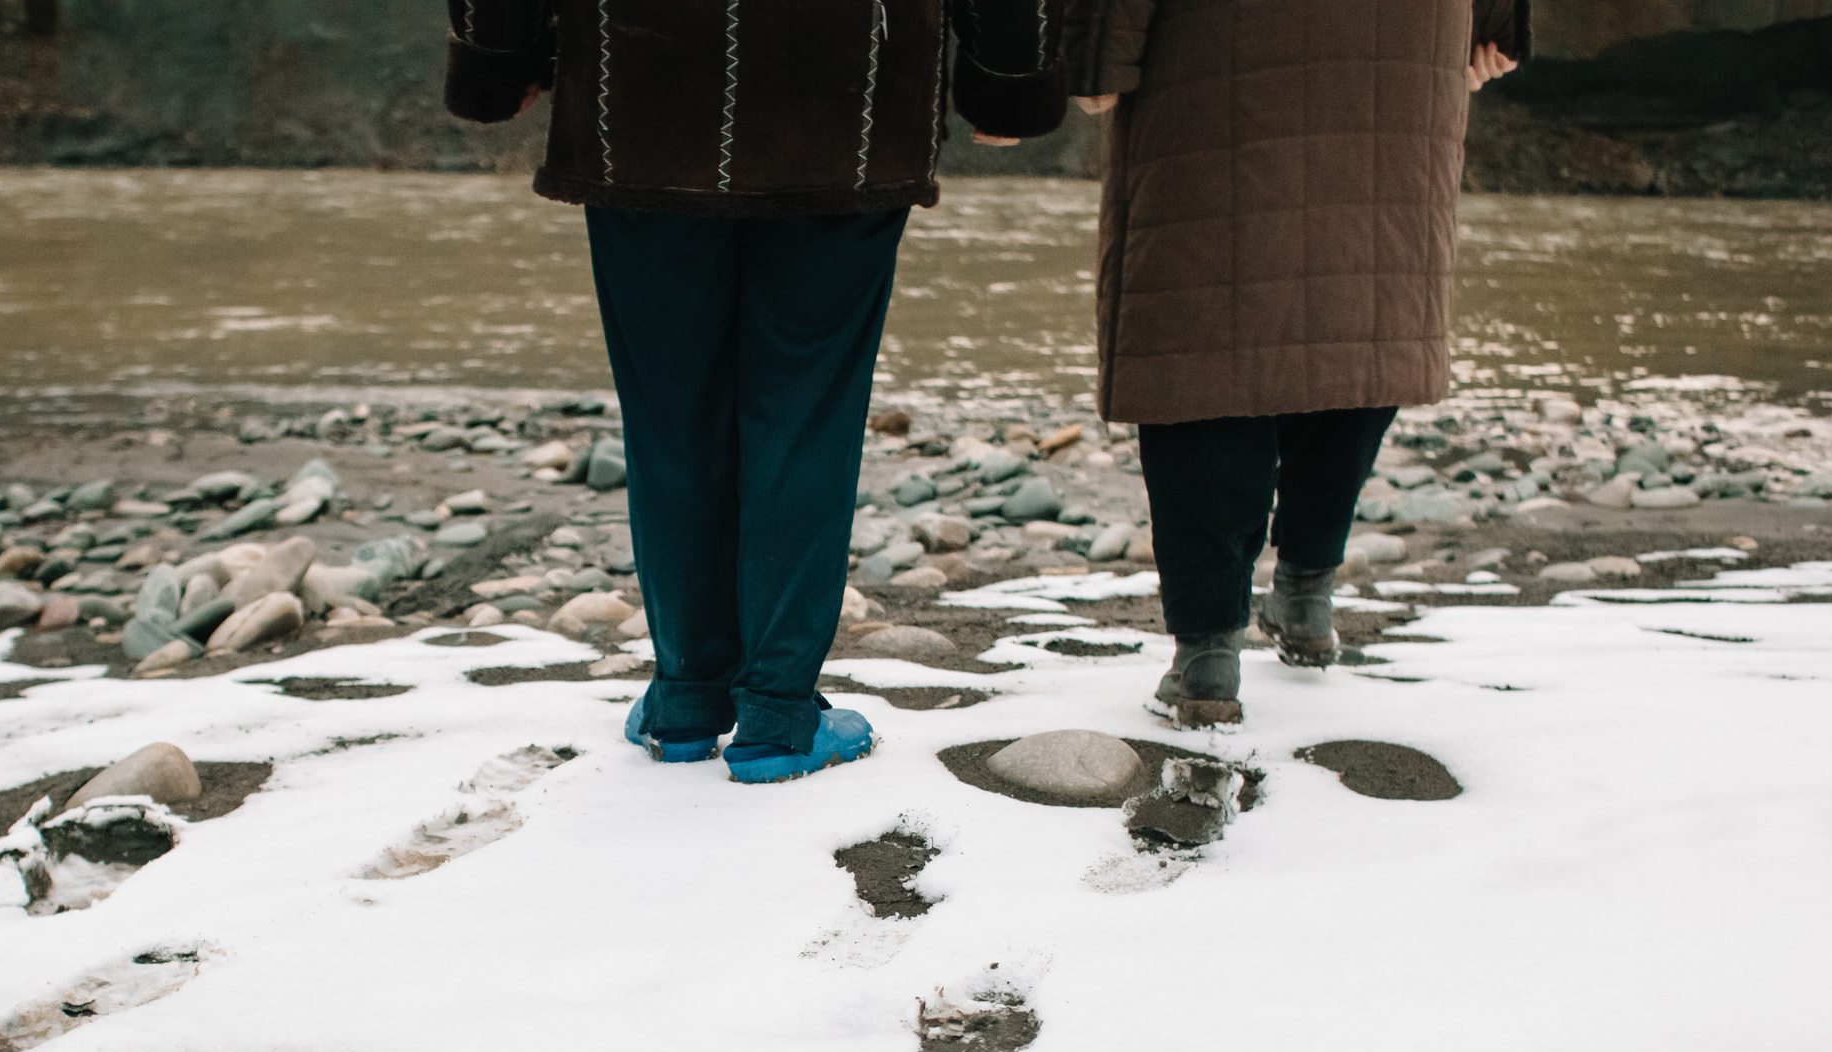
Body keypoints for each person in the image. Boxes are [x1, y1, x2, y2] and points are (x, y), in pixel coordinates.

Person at [444, 0, 1068, 782]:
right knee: (806, 412)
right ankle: (776, 714)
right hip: (848, 95)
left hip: (642, 94)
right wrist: (1007, 74)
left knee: (670, 413)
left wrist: (499, 59)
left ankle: (686, 696)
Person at [1063, 0, 1526, 726]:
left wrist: (1096, 51)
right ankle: (1308, 590)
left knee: (1208, 336)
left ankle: (1209, 652)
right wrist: (1502, 18)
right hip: (1403, 39)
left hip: (1218, 46)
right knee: (1359, 311)